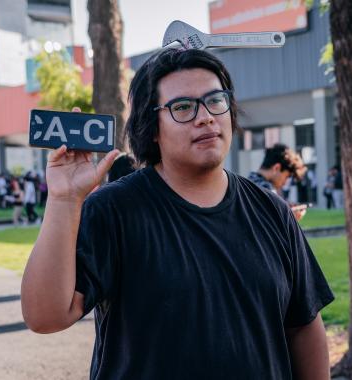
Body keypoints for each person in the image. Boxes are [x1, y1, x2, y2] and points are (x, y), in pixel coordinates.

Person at [21, 49, 334, 380]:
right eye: (183, 107)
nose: (206, 117)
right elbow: (45, 316)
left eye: (216, 100)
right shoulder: (114, 211)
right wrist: (65, 199)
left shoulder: (271, 211)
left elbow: (303, 326)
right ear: (152, 127)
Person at [248, 143, 308, 220]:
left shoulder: (247, 181)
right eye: (287, 177)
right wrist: (290, 218)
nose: (285, 183)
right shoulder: (267, 191)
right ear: (276, 168)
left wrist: (282, 207)